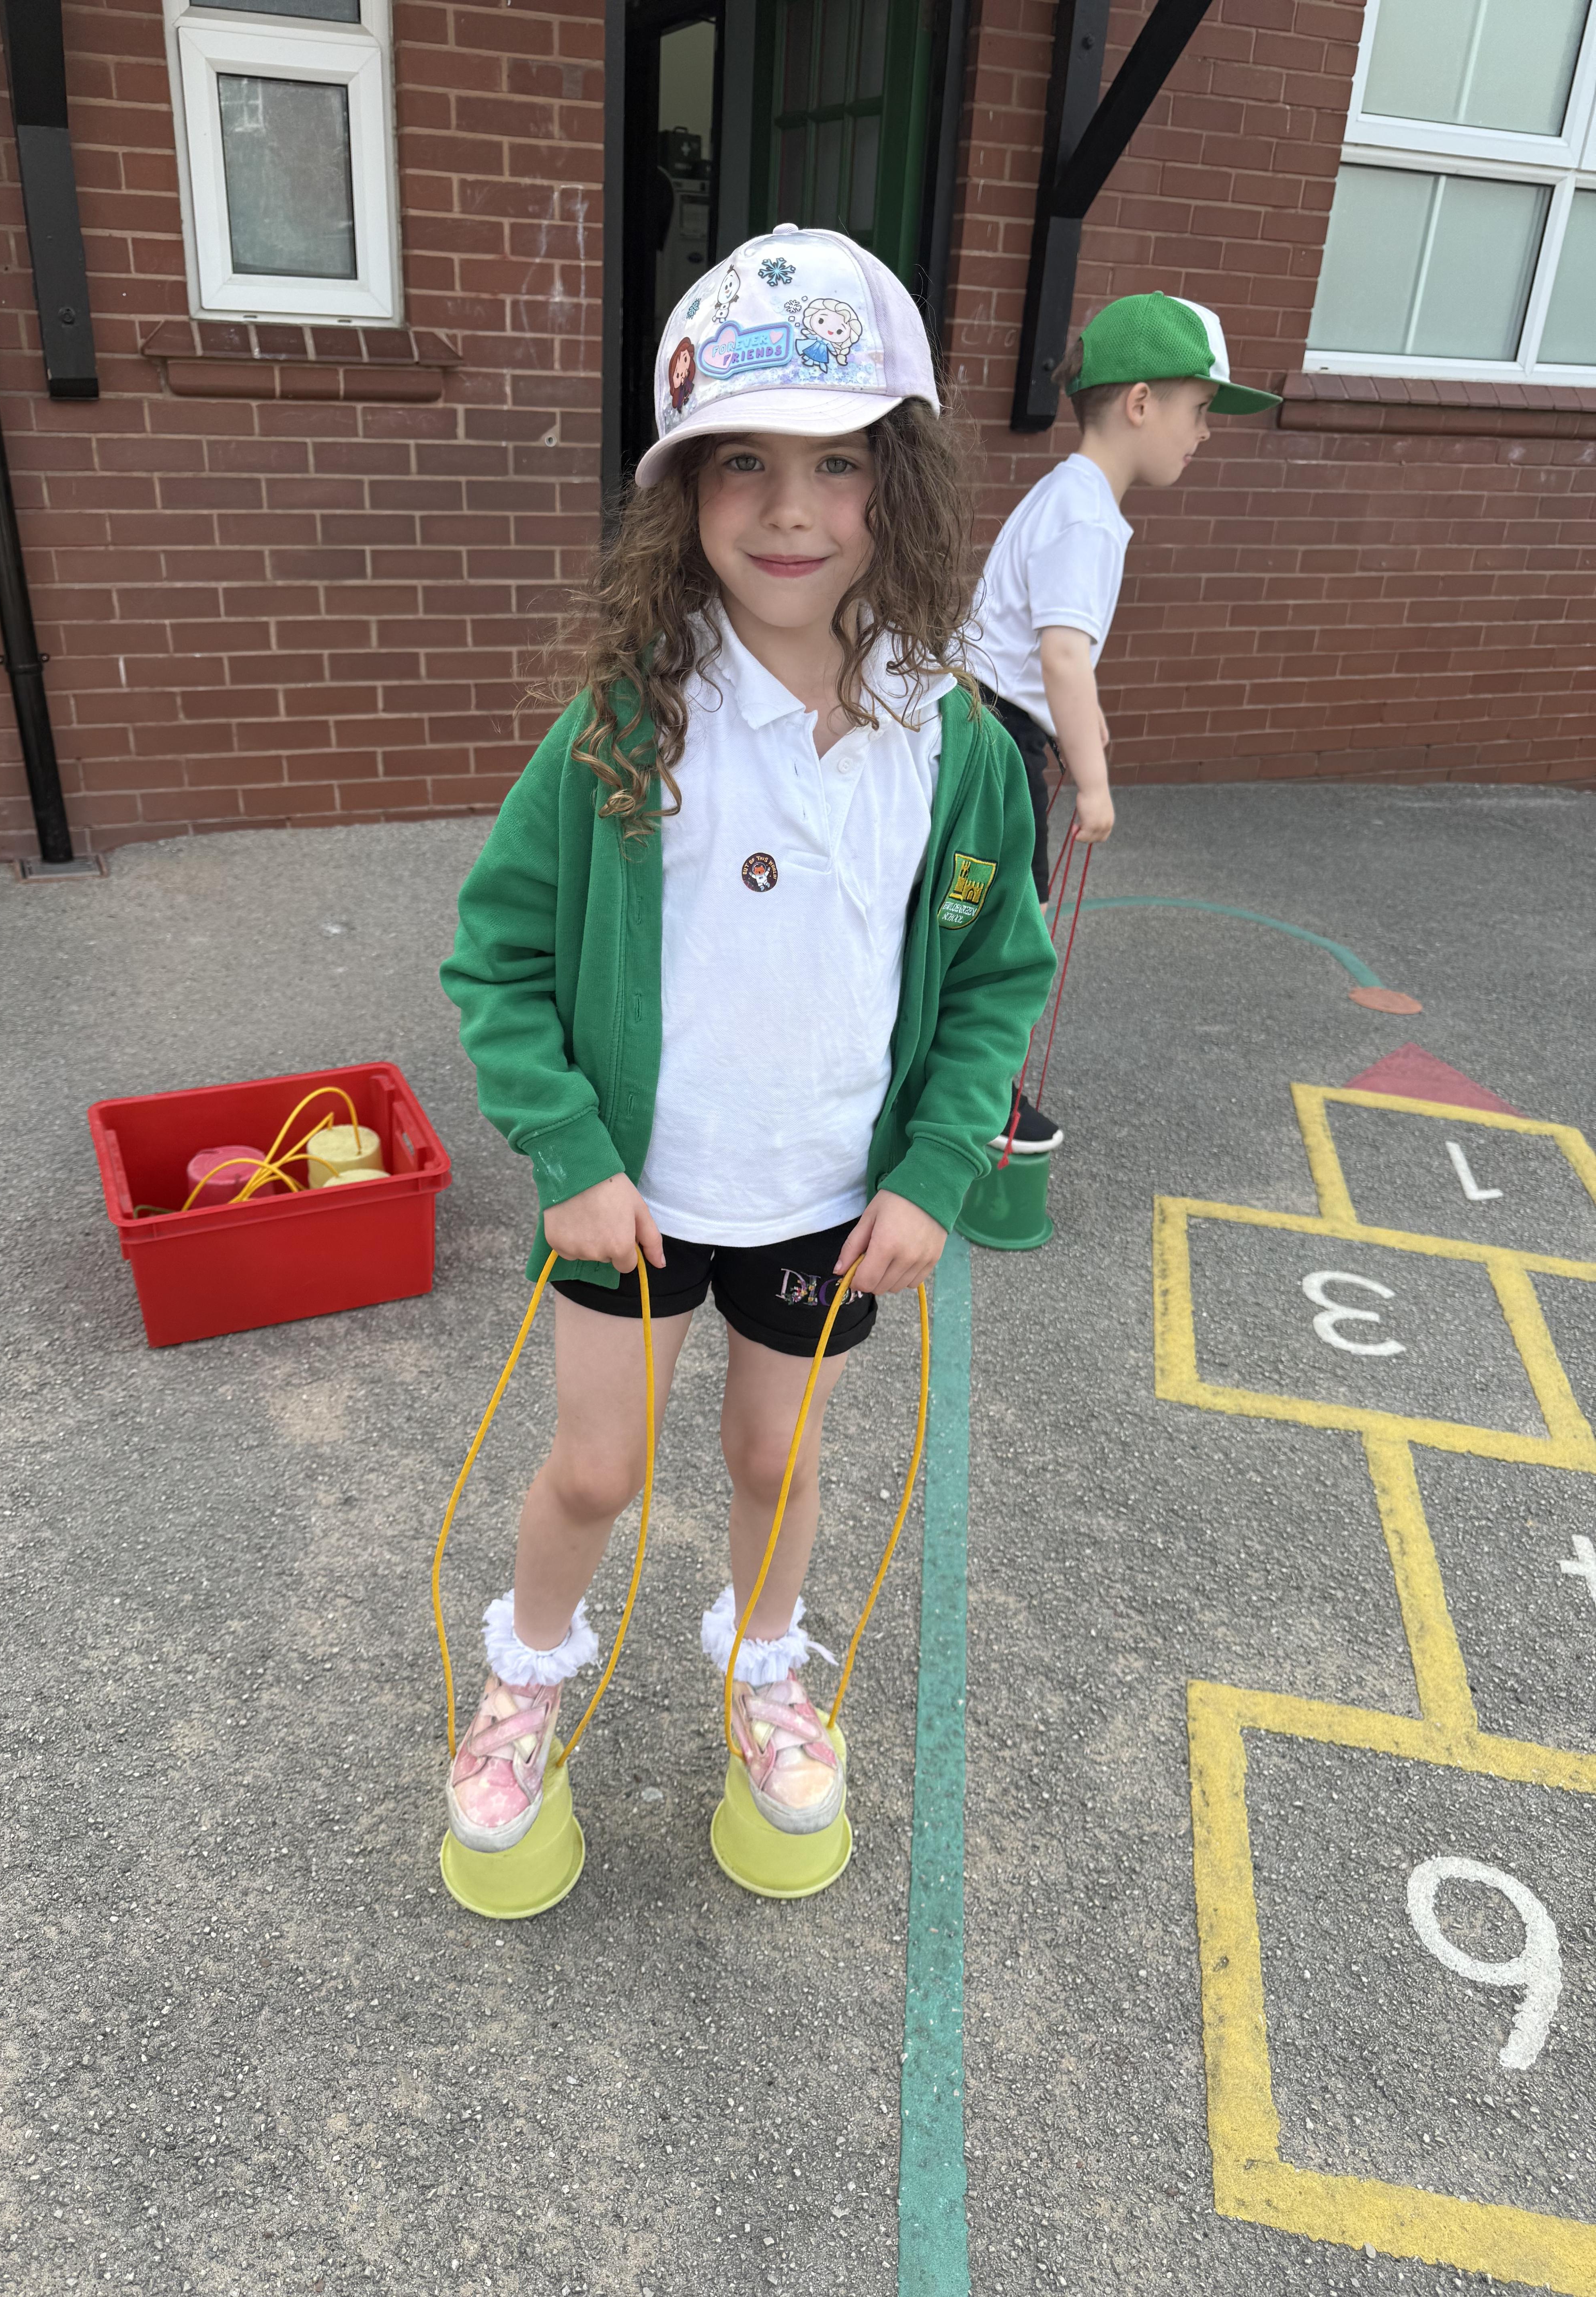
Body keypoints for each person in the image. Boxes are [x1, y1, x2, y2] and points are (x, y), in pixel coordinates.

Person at [439, 223, 1056, 1857]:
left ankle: (766, 1670)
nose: (791, 510)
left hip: (827, 1202)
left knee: (776, 1457)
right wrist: (569, 1155)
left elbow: (997, 974)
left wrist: (937, 1169)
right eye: (743, 465)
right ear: (683, 493)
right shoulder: (625, 724)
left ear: (898, 485)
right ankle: (524, 1683)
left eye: (838, 464)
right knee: (596, 1472)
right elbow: (496, 956)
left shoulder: (954, 741)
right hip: (633, 1201)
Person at [972, 292, 1279, 1150]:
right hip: (997, 743)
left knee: (981, 913)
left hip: (983, 723)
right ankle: (979, 1099)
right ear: (1141, 402)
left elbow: (1048, 655)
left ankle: (964, 1080)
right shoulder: (1087, 516)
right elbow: (1063, 658)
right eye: (1201, 409)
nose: (1205, 433)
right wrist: (1096, 786)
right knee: (1010, 927)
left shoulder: (1068, 495)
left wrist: (1084, 724)